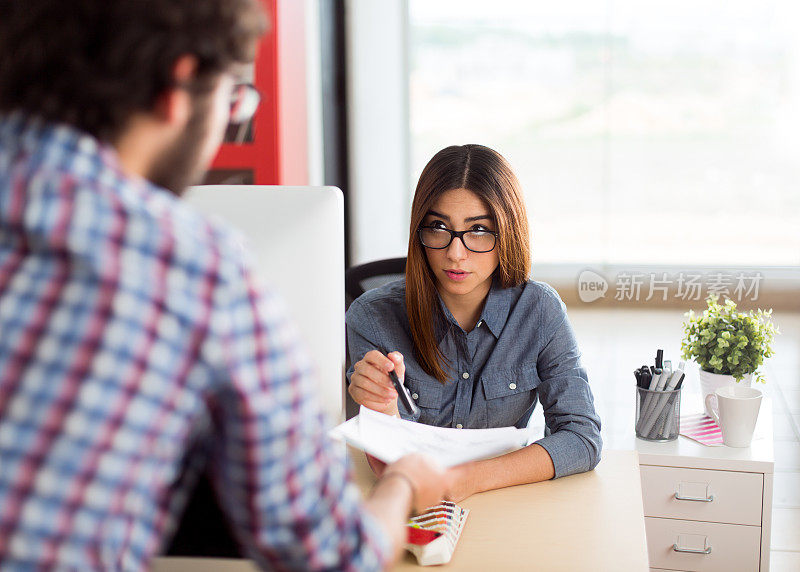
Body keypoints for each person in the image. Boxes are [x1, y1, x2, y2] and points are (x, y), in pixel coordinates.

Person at [0, 1, 447, 569]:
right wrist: (405, 483)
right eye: (233, 99)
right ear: (179, 85)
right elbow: (330, 557)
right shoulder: (187, 265)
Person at [346, 144, 602, 501]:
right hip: (410, 501)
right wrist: (383, 409)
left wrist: (469, 479)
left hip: (502, 500)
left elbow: (582, 438)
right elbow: (385, 466)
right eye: (438, 227)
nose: (455, 253)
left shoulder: (539, 311)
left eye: (479, 230)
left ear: (507, 233)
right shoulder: (372, 316)